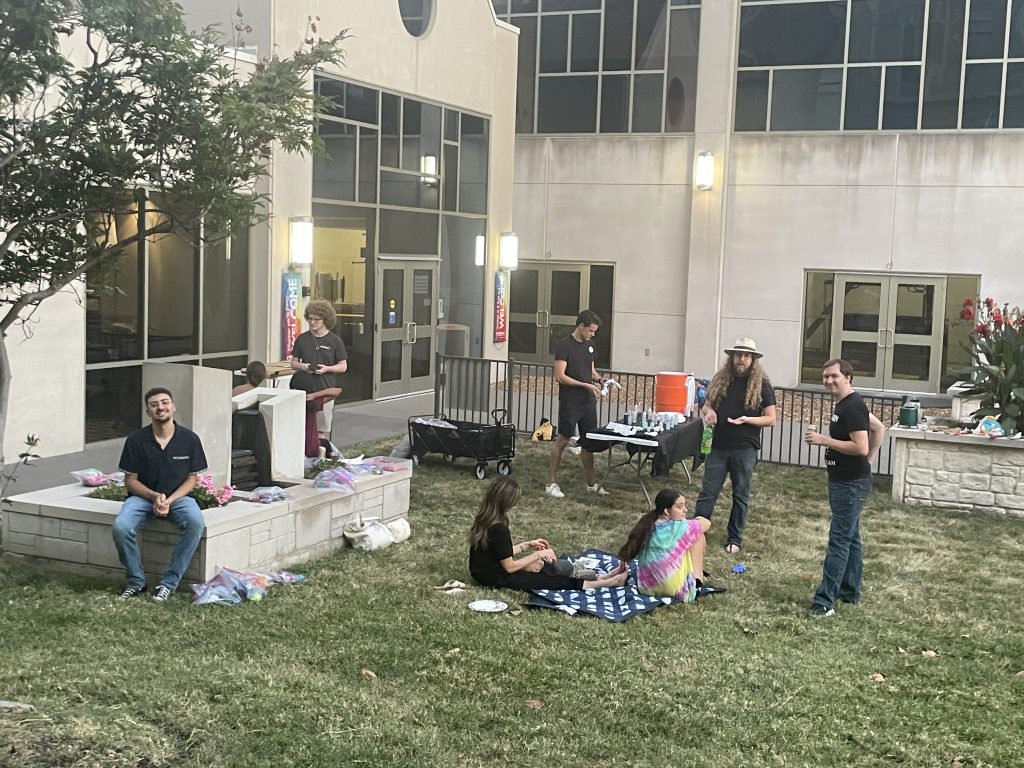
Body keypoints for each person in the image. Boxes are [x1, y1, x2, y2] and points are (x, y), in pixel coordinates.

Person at [804, 358, 886, 617]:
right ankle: (850, 591)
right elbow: (879, 427)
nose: (829, 381)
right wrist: (869, 462)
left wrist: (823, 440)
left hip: (850, 484)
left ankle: (824, 601)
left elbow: (860, 446)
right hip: (843, 480)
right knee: (851, 537)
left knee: (839, 539)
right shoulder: (849, 404)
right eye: (825, 376)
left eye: (834, 376)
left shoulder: (852, 406)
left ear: (848, 377)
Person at [112, 387, 208, 602]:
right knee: (121, 527)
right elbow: (130, 480)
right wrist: (154, 497)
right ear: (148, 412)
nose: (160, 407)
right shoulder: (136, 440)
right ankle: (136, 582)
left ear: (173, 407)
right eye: (154, 405)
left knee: (195, 523)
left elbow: (192, 478)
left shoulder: (189, 439)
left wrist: (170, 500)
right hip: (142, 498)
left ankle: (168, 583)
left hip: (178, 498)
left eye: (165, 402)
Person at [469, 477, 629, 591]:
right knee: (552, 579)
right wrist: (537, 555)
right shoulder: (499, 528)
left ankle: (602, 577)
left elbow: (500, 553)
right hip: (493, 577)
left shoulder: (485, 518)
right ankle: (609, 582)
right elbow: (510, 567)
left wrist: (527, 545)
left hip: (484, 572)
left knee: (547, 567)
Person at [694, 337, 777, 554]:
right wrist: (709, 412)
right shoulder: (722, 379)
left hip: (745, 448)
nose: (741, 359)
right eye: (738, 355)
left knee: (740, 493)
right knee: (708, 491)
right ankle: (695, 535)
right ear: (732, 358)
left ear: (753, 359)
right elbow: (706, 406)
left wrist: (747, 420)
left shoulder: (762, 385)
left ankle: (735, 537)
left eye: (746, 355)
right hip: (718, 446)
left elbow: (771, 418)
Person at [545, 309, 608, 498]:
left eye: (594, 331)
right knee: (563, 440)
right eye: (590, 330)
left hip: (588, 402)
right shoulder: (564, 345)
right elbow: (560, 376)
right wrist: (585, 385)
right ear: (581, 326)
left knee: (588, 442)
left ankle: (591, 484)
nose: (592, 334)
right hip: (571, 401)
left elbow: (591, 370)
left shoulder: (590, 345)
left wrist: (599, 380)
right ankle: (551, 484)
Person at [619, 489, 723, 602]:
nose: (685, 510)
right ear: (667, 511)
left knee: (691, 536)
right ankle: (698, 579)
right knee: (698, 536)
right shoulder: (682, 527)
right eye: (680, 507)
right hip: (678, 592)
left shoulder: (646, 525)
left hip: (646, 589)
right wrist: (696, 519)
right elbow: (707, 523)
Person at [289, 299, 349, 441]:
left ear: (325, 320)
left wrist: (327, 368)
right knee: (300, 427)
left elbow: (343, 366)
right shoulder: (302, 339)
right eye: (310, 319)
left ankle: (319, 458)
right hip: (302, 389)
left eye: (317, 319)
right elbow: (293, 363)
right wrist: (304, 366)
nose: (312, 322)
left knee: (320, 430)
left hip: (324, 390)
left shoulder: (335, 340)